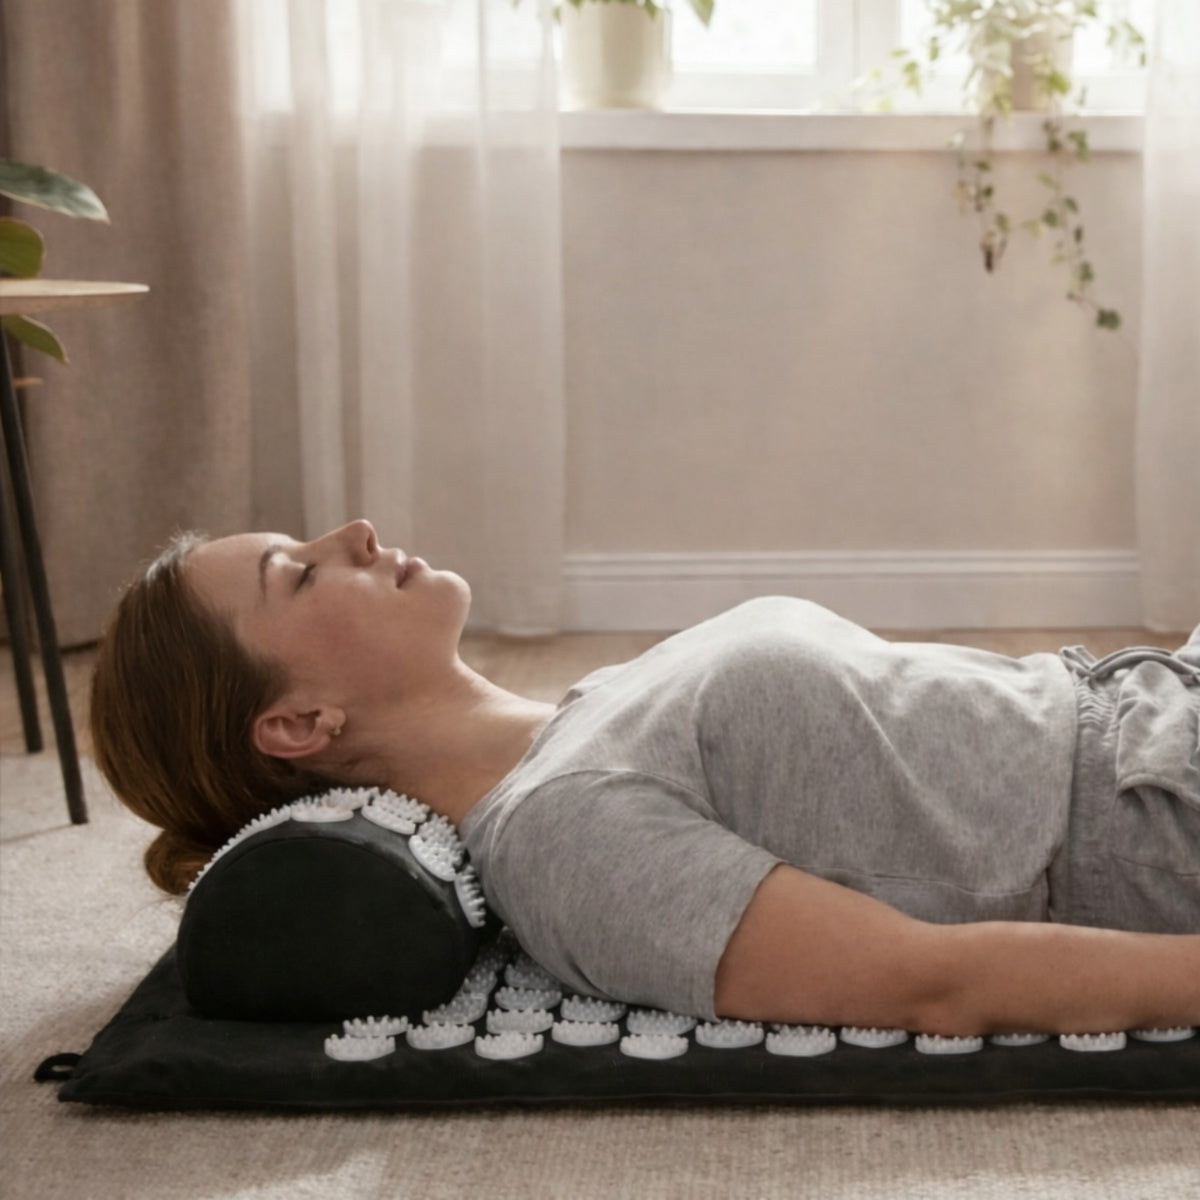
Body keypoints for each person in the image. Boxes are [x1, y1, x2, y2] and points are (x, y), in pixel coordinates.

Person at [91, 519, 1200, 1037]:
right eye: (299, 570)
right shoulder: (564, 841)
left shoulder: (581, 717)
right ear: (296, 722)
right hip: (1156, 811)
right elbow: (928, 983)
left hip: (1156, 701)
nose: (353, 531)